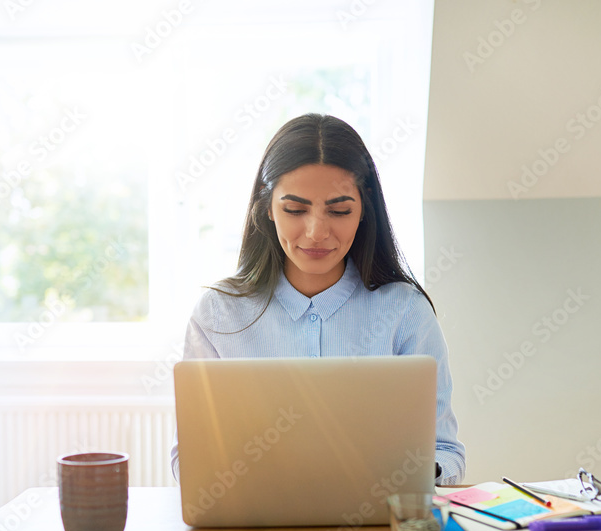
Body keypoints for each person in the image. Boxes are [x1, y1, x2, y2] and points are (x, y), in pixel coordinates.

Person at [170, 113, 465, 485]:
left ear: (363, 212)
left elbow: (445, 451)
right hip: (253, 530)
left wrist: (415, 475)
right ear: (267, 208)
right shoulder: (217, 313)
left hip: (376, 529)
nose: (316, 232)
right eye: (294, 210)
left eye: (340, 211)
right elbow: (190, 457)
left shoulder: (405, 311)